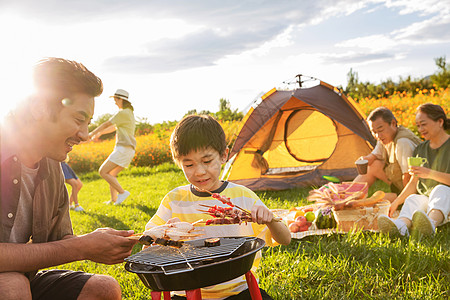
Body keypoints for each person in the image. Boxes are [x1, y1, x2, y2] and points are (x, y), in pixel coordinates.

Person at [0, 57, 137, 300]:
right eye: (78, 119)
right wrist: (81, 247)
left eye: (88, 123)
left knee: (104, 289)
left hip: (22, 278)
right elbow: (72, 247)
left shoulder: (53, 166)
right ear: (39, 107)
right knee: (12, 286)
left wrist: (103, 241)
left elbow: (62, 240)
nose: (84, 135)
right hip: (11, 283)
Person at [145, 115, 291, 300]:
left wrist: (270, 220)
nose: (199, 171)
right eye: (188, 164)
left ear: (224, 155)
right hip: (186, 289)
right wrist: (162, 235)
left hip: (237, 289)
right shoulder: (174, 200)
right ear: (178, 162)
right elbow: (148, 240)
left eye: (207, 161)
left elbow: (285, 239)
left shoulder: (243, 197)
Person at [377, 103, 450, 237]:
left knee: (441, 190)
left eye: (423, 124)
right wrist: (396, 202)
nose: (420, 129)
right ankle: (400, 226)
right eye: (418, 125)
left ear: (440, 122)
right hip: (428, 199)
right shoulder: (421, 149)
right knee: (413, 199)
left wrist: (429, 173)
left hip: (445, 197)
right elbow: (413, 183)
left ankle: (431, 225)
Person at [354, 107, 422, 201]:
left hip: (413, 191)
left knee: (378, 200)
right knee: (373, 164)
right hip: (398, 183)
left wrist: (406, 202)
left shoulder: (403, 142)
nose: (378, 136)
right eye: (374, 132)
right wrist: (364, 160)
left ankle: (403, 202)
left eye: (380, 130)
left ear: (393, 123)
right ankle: (349, 196)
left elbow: (408, 177)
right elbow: (374, 155)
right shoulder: (385, 137)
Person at [89, 89, 136, 205]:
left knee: (103, 172)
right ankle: (113, 199)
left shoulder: (123, 113)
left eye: (115, 99)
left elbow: (106, 124)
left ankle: (122, 192)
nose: (114, 102)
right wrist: (99, 133)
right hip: (127, 149)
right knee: (111, 174)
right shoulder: (128, 113)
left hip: (123, 149)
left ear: (121, 99)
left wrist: (91, 133)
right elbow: (114, 127)